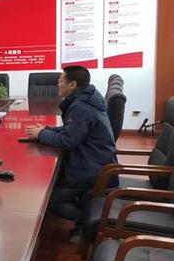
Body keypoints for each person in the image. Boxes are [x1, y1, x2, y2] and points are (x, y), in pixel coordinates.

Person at [25, 66, 117, 243]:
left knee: (48, 200)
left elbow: (68, 140)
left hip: (90, 168)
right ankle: (86, 217)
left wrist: (42, 134)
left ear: (72, 84)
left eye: (61, 81)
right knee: (52, 184)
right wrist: (46, 130)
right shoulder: (86, 99)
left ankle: (89, 222)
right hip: (96, 160)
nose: (58, 84)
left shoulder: (82, 107)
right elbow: (71, 130)